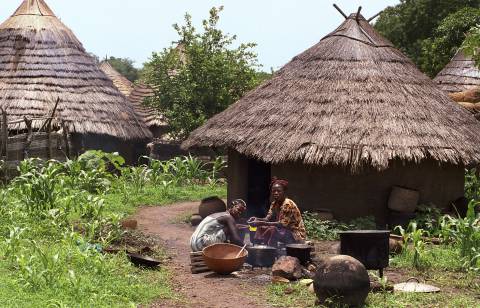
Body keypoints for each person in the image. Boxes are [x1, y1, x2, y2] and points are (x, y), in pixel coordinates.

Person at [248, 178, 306, 247]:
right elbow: (267, 219)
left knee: (273, 229)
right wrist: (257, 219)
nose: (276, 193)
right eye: (273, 191)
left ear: (284, 192)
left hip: (295, 234)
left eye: (279, 191)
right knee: (261, 227)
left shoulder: (288, 204)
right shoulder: (274, 203)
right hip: (284, 231)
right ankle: (259, 247)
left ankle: (271, 250)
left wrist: (261, 222)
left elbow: (282, 224)